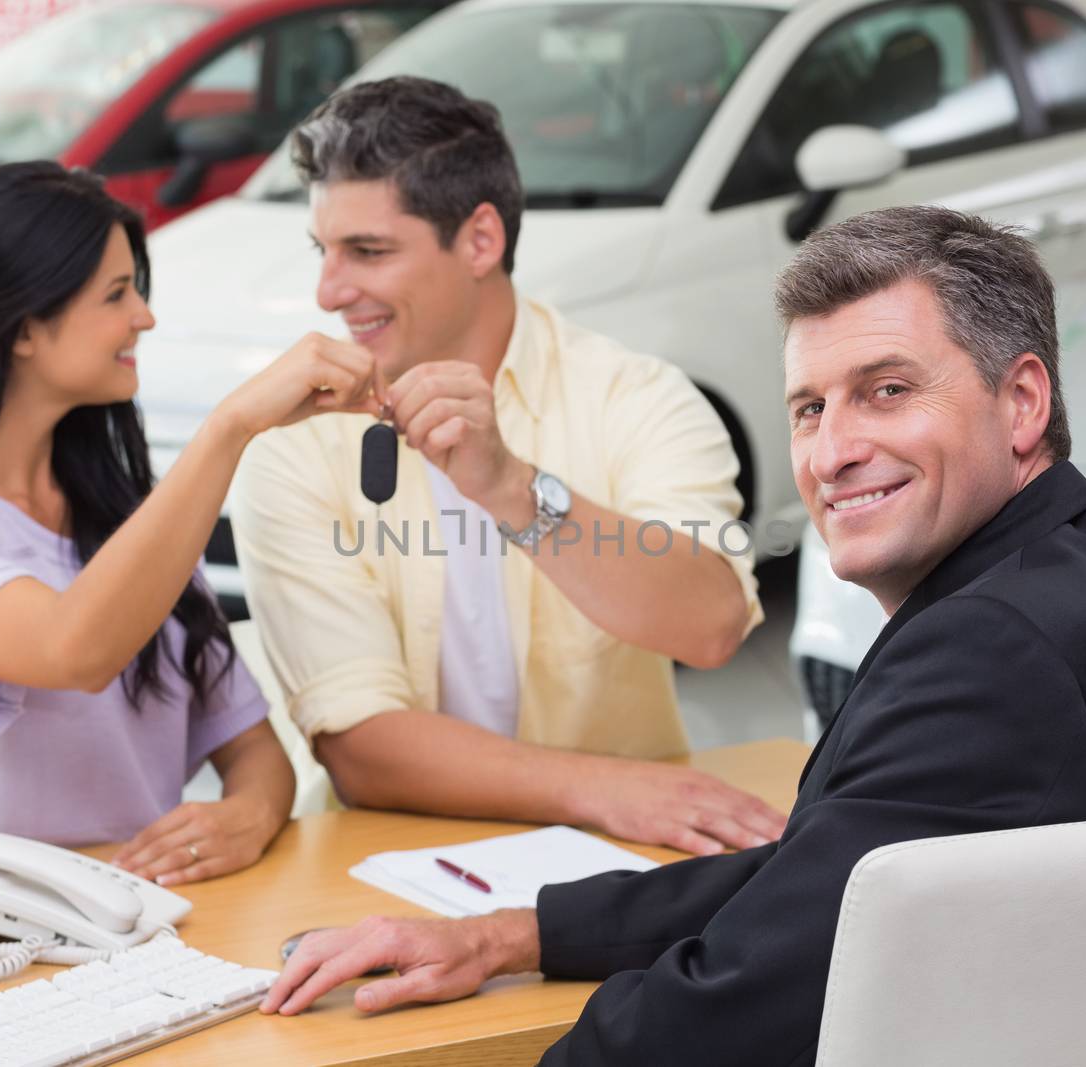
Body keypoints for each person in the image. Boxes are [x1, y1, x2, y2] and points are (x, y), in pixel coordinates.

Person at [256, 206, 1086, 1062]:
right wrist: (506, 936)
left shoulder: (995, 646)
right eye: (810, 408)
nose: (833, 449)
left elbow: (736, 1004)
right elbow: (830, 875)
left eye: (886, 389)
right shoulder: (1075, 557)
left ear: (1020, 401)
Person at [229, 77, 786, 854]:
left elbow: (711, 623)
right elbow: (360, 748)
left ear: (481, 241)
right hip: (386, 863)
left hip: (621, 862)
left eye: (368, 251)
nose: (329, 291)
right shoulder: (291, 442)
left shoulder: (635, 394)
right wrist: (599, 788)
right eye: (323, 251)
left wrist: (516, 492)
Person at [0, 162, 383, 885]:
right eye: (116, 294)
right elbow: (71, 648)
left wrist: (250, 814)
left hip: (148, 922)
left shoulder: (123, 513)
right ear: (22, 328)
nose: (144, 316)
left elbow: (252, 747)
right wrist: (231, 426)